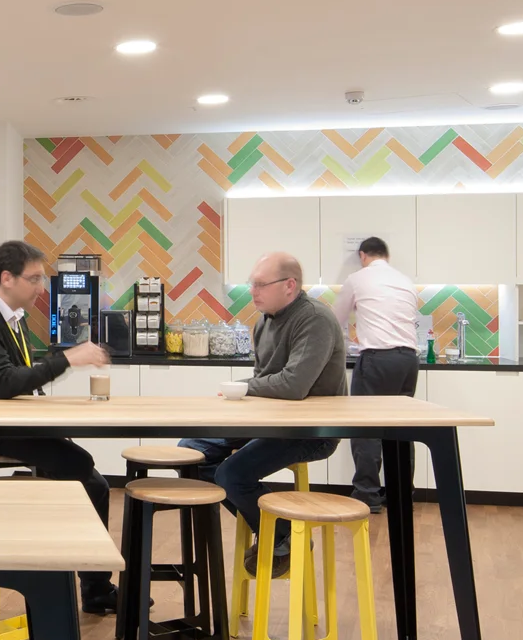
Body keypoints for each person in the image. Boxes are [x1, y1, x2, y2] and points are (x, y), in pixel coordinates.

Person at [0, 239, 119, 615]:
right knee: (84, 472)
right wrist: (68, 359)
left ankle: (79, 581)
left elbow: (20, 376)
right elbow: (4, 382)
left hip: (14, 423)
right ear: (6, 278)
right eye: (34, 279)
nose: (42, 289)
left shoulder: (10, 318)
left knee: (82, 470)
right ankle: (88, 588)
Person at [180, 251, 345, 577]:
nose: (252, 291)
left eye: (260, 285)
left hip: (311, 431)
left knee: (231, 475)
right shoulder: (263, 323)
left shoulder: (315, 320)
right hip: (272, 424)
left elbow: (293, 386)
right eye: (251, 284)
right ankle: (276, 529)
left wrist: (241, 388)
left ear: (290, 285)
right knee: (191, 453)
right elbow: (268, 383)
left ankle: (281, 535)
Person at [331, 236, 421, 511]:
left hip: (377, 360)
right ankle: (401, 494)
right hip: (408, 360)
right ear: (387, 256)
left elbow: (335, 321)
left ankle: (367, 494)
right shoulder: (405, 281)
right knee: (401, 429)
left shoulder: (358, 279)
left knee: (366, 428)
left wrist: (344, 346)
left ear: (362, 255)